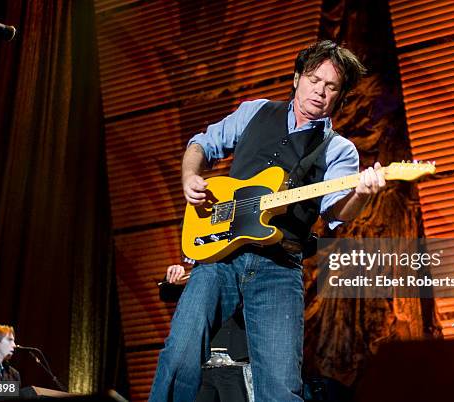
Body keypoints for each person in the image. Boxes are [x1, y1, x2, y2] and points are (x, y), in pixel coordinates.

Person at [149, 40, 385, 402]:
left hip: (279, 266)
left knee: (280, 389)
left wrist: (362, 193)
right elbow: (201, 144)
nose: (319, 91)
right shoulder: (253, 111)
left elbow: (337, 212)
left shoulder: (339, 150)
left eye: (331, 86)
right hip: (218, 258)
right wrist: (189, 179)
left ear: (340, 97)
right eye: (313, 79)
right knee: (178, 358)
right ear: (296, 78)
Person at [160, 265, 252, 402]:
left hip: (234, 364)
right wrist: (171, 276)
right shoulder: (201, 273)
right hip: (202, 367)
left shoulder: (244, 266)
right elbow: (167, 293)